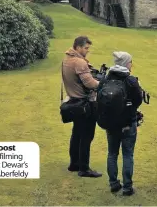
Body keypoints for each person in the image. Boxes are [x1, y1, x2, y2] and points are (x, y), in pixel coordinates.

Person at [97, 51, 143, 196]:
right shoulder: (131, 81)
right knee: (128, 154)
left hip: (110, 123)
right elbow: (138, 101)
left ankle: (113, 183)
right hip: (128, 123)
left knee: (112, 153)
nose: (131, 64)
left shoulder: (106, 79)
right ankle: (128, 187)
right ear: (126, 63)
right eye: (130, 62)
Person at [62, 36, 102, 178]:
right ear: (78, 47)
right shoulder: (79, 62)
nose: (87, 51)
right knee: (86, 136)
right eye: (86, 48)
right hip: (85, 104)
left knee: (76, 134)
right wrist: (102, 83)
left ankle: (74, 164)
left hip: (74, 102)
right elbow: (90, 84)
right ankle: (84, 168)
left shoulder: (67, 60)